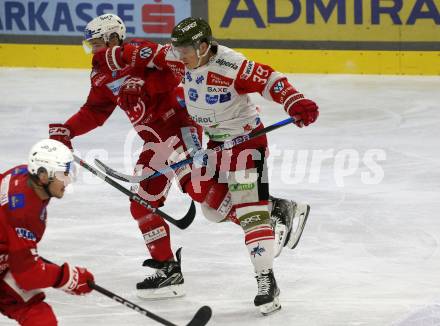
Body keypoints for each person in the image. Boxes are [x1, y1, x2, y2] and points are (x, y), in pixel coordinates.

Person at [51, 13, 307, 302]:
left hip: (180, 128)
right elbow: (94, 111)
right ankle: (168, 268)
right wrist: (67, 130)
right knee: (141, 203)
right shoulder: (101, 74)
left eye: (97, 43)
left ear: (113, 38)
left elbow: (173, 61)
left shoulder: (140, 54)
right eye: (91, 45)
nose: (94, 50)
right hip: (156, 142)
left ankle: (270, 212)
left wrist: (132, 57)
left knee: (200, 190)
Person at [0, 139, 94, 325]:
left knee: (40, 317)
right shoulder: (23, 213)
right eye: (63, 174)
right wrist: (68, 278)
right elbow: (28, 275)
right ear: (43, 175)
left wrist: (22, 254)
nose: (68, 180)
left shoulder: (22, 174)